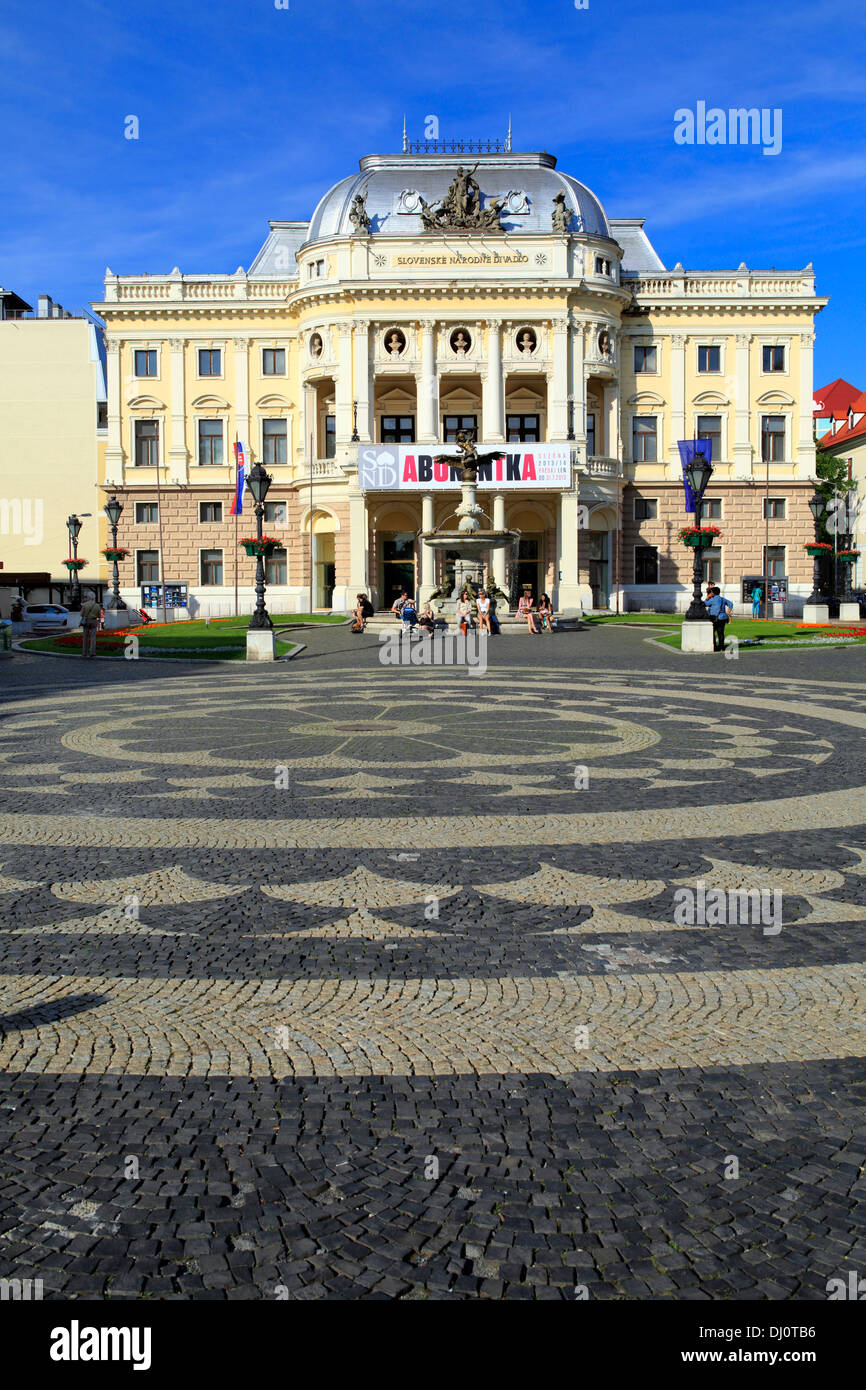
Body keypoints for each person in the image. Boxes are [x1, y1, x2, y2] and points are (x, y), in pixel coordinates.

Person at [705, 585, 734, 651]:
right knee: (721, 633)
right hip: (723, 618)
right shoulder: (723, 599)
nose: (710, 593)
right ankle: (721, 647)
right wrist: (729, 610)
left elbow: (704, 604)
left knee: (712, 633)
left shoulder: (712, 599)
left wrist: (707, 598)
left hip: (714, 618)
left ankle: (715, 646)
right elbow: (731, 604)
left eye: (711, 592)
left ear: (713, 593)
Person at [79, 590, 102, 660]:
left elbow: (81, 614)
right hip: (94, 621)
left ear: (89, 597)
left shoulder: (85, 605)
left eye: (87, 597)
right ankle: (92, 652)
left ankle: (84, 652)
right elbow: (99, 615)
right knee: (93, 637)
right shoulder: (97, 605)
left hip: (86, 621)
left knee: (85, 637)